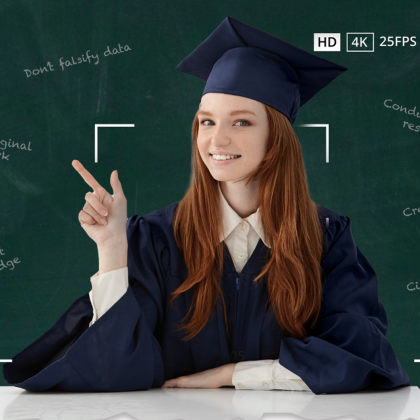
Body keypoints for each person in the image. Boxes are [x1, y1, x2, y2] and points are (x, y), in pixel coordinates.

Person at [3, 16, 410, 394]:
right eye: (207, 121)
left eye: (242, 122)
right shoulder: (156, 239)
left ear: (277, 138)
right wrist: (111, 249)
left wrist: (232, 375)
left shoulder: (325, 237)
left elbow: (360, 356)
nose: (216, 141)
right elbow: (112, 370)